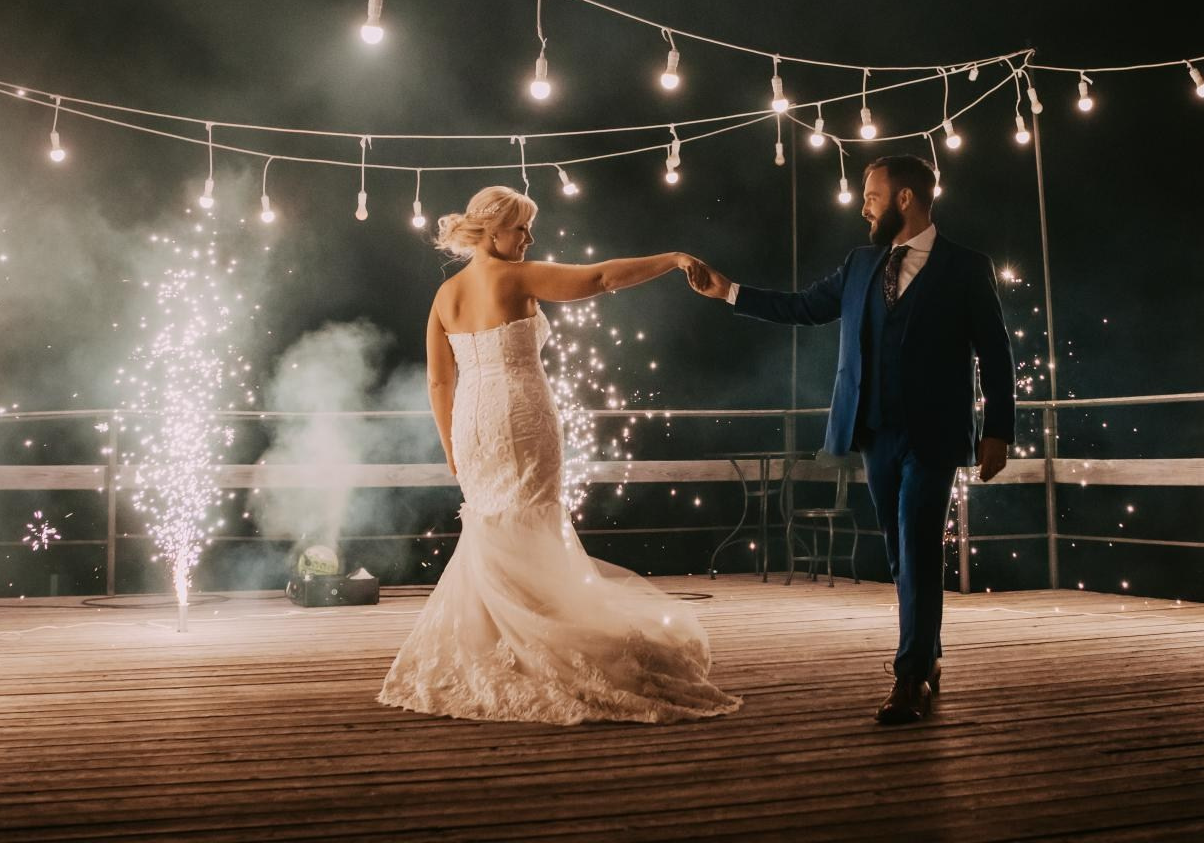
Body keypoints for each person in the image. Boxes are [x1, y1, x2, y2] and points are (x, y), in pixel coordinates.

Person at [379, 185, 741, 724]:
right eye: (521, 227)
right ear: (493, 230)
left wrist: (452, 446)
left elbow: (438, 380)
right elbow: (599, 278)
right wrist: (672, 259)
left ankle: (496, 646)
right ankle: (539, 642)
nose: (529, 238)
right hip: (523, 416)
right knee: (531, 524)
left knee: (494, 525)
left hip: (472, 424)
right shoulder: (516, 277)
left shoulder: (445, 296)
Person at [687, 155, 1013, 725]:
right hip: (872, 430)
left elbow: (996, 350)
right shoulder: (860, 263)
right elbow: (804, 308)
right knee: (899, 548)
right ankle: (928, 654)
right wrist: (729, 292)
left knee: (915, 544)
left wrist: (999, 431)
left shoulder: (966, 266)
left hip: (934, 434)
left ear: (905, 199)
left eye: (872, 195)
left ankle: (909, 678)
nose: (863, 206)